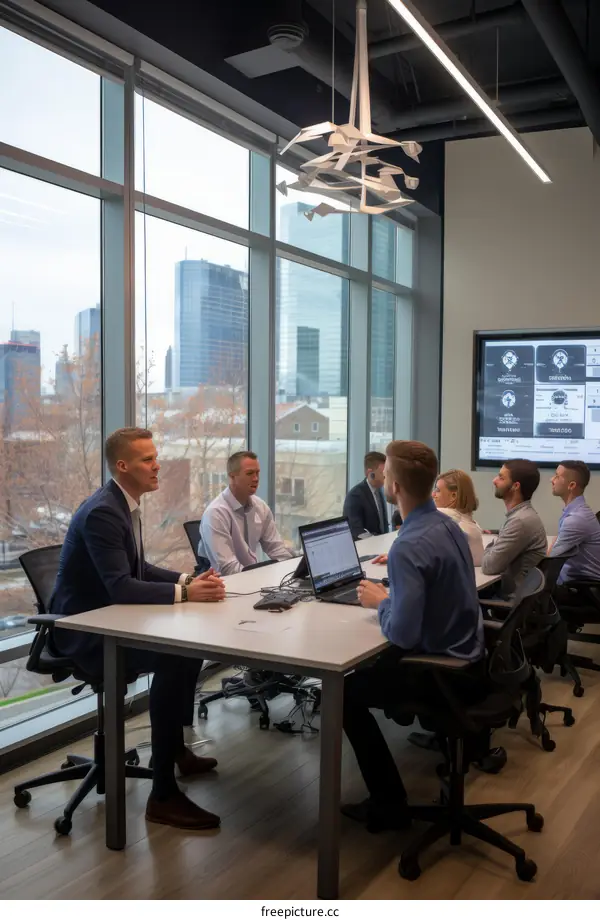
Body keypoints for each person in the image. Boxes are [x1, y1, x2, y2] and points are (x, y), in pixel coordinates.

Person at [50, 427, 226, 831]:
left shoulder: (123, 505)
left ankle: (176, 751)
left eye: (155, 455)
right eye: (147, 459)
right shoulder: (103, 512)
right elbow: (120, 585)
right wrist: (187, 595)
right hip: (85, 632)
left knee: (187, 645)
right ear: (122, 466)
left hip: (113, 619)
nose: (157, 464)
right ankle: (162, 794)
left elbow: (138, 569)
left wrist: (187, 581)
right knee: (174, 654)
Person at [341, 440, 484, 830]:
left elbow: (402, 634)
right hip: (471, 661)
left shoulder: (408, 545)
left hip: (441, 672)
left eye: (386, 474)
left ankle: (388, 804)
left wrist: (381, 602)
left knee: (343, 694)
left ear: (395, 487)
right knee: (367, 672)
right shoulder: (448, 524)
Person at [198, 451, 294, 575]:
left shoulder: (261, 507)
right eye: (249, 473)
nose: (256, 478)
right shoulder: (215, 514)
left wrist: (294, 569)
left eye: (257, 473)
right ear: (232, 477)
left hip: (251, 578)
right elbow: (227, 567)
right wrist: (260, 578)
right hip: (222, 585)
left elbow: (276, 548)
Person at [481, 459, 547, 599]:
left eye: (501, 477)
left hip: (511, 599)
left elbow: (489, 566)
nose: (494, 481)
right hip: (517, 596)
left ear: (515, 486)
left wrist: (489, 547)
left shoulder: (520, 521)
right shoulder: (522, 515)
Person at [549, 460, 600, 601]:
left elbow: (549, 563)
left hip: (582, 591)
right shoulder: (576, 512)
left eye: (557, 476)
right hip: (577, 584)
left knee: (522, 592)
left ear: (571, 485)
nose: (551, 480)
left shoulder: (576, 519)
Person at [432, 469, 484, 566]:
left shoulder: (440, 516)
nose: (433, 495)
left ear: (453, 496)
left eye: (437, 490)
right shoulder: (474, 525)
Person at [343, 451, 394, 540]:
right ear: (370, 473)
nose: (386, 476)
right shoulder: (355, 496)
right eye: (383, 473)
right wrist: (375, 540)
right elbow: (356, 530)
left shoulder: (380, 491)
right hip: (366, 548)